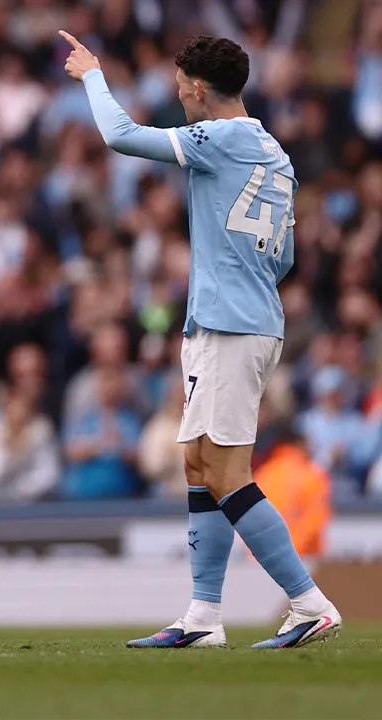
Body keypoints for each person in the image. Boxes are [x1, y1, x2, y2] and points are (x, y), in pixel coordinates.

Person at [60, 32, 342, 648]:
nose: (175, 91)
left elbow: (120, 136)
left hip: (231, 326)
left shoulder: (220, 137)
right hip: (240, 319)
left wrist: (92, 76)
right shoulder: (274, 152)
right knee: (197, 464)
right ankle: (203, 616)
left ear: (196, 87)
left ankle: (308, 601)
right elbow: (286, 256)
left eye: (178, 82)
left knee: (224, 468)